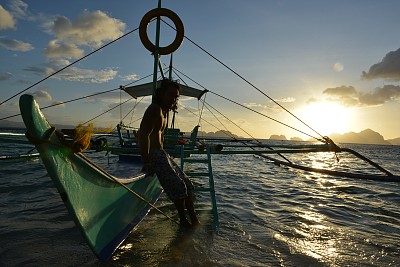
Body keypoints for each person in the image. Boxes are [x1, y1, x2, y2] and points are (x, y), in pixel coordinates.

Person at [139, 79, 200, 228]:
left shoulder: (164, 112)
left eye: (176, 96)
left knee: (187, 184)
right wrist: (146, 162)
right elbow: (144, 135)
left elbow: (160, 136)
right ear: (161, 94)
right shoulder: (154, 109)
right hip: (154, 155)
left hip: (161, 153)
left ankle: (194, 219)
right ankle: (183, 220)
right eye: (170, 95)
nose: (173, 99)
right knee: (179, 187)